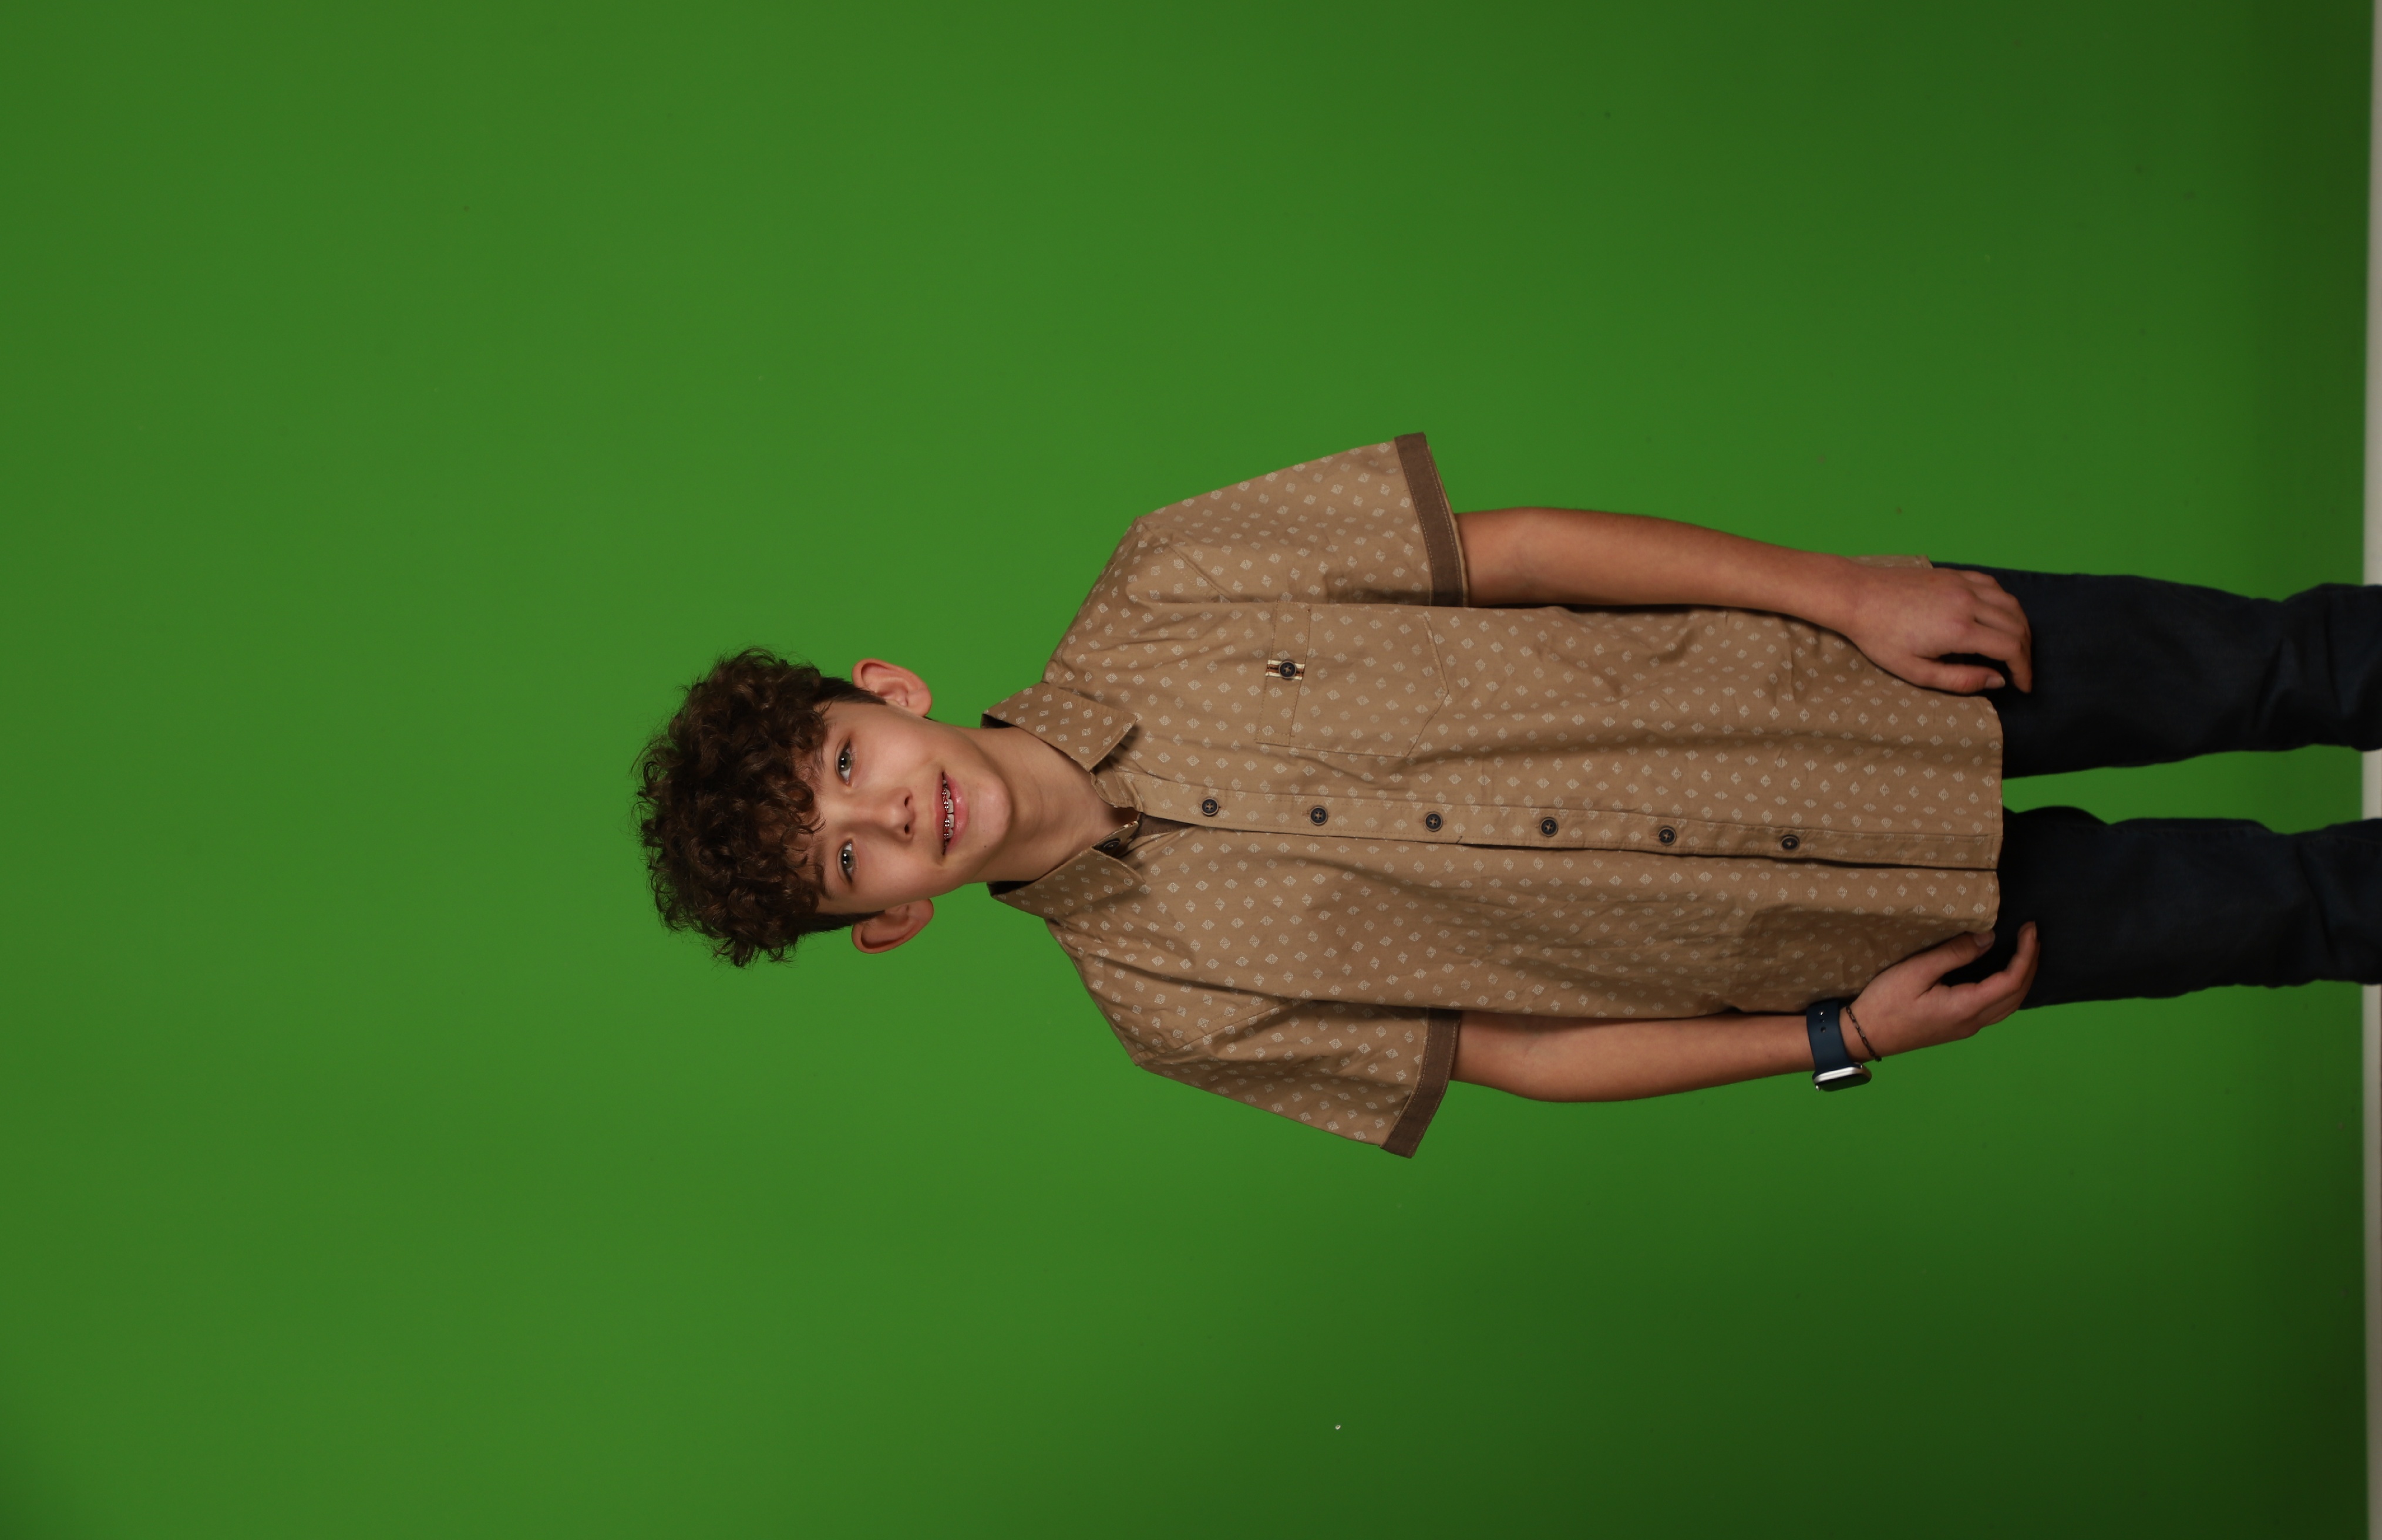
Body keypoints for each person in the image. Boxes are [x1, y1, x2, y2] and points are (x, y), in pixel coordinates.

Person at [634, 436, 2382, 1155]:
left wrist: (1844, 590)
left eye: (847, 767)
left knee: (2283, 665)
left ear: (888, 692)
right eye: (848, 865)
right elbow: (1522, 1057)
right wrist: (1839, 1037)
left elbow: (1521, 549)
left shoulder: (1172, 572)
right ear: (890, 925)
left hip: (1825, 681)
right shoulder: (1169, 1012)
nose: (888, 817)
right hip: (1849, 933)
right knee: (2294, 913)